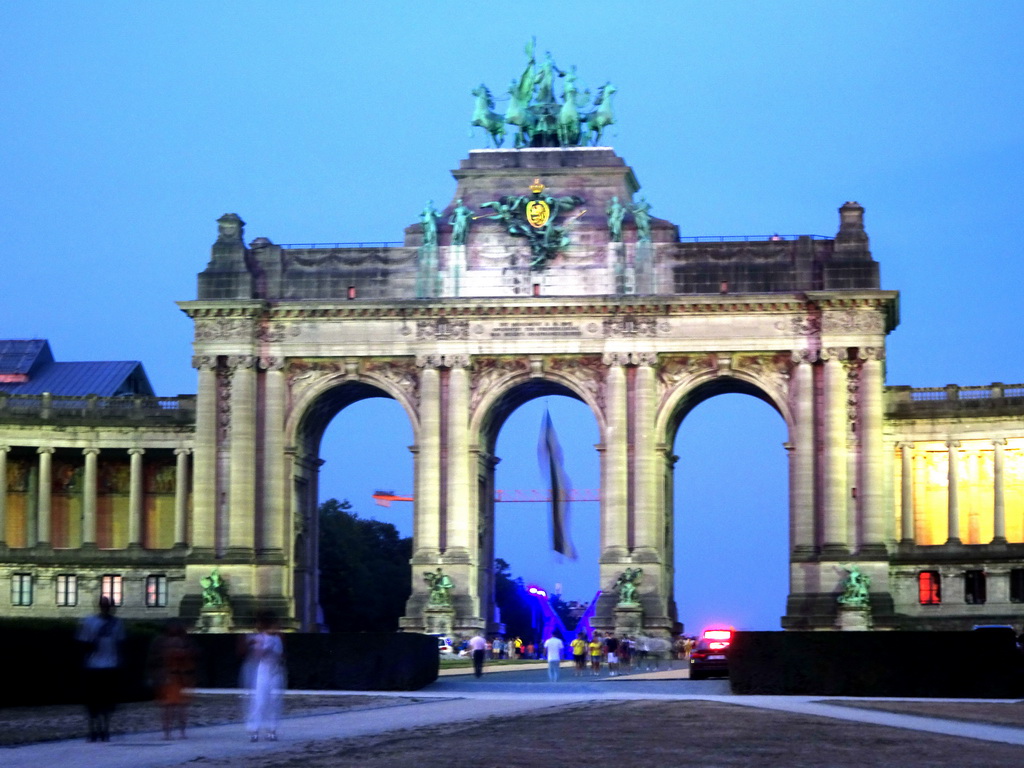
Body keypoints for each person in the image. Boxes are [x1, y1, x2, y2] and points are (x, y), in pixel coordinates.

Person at [77, 596, 126, 742]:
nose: (106, 608)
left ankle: (104, 729)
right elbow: (83, 644)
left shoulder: (117, 623)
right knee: (93, 700)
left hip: (110, 665)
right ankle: (94, 729)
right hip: (93, 665)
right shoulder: (90, 622)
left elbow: (120, 644)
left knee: (107, 700)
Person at [149, 620, 197, 739]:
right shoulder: (163, 642)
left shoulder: (184, 642)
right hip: (170, 676)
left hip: (179, 676)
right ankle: (171, 732)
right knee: (169, 707)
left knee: (178, 706)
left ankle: (177, 731)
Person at [242, 610, 285, 742]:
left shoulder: (277, 638)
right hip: (264, 671)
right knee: (260, 700)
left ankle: (271, 729)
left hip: (275, 671)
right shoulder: (259, 638)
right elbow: (258, 655)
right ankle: (254, 729)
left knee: (274, 700)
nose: (277, 627)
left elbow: (281, 655)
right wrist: (262, 647)